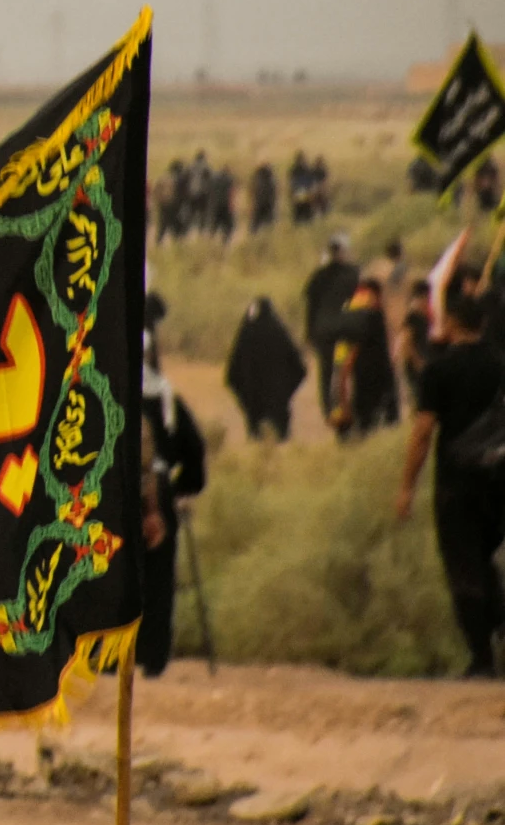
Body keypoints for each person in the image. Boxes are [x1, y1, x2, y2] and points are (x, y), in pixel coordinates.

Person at [396, 290, 505, 677]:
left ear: (453, 323)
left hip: (457, 483)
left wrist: (407, 486)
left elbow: (423, 432)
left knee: (464, 566)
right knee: (486, 558)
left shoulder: (439, 371)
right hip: (499, 479)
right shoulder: (499, 363)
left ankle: (482, 659)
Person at [137, 355, 207, 677]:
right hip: (158, 494)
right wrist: (181, 487)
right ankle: (153, 656)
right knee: (158, 578)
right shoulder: (166, 397)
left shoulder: (99, 389)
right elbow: (193, 450)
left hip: (105, 493)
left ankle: (107, 657)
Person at [223, 298, 306, 442]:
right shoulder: (280, 333)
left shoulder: (246, 335)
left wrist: (246, 400)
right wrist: (285, 394)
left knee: (257, 447)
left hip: (254, 409)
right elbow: (300, 370)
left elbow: (232, 376)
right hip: (279, 408)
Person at [327, 277, 399, 438]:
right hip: (369, 388)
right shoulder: (369, 319)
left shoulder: (358, 316)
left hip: (367, 386)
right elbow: (346, 365)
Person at [303, 234, 359, 414]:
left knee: (326, 371)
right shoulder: (354, 274)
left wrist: (309, 333)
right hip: (347, 329)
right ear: (344, 251)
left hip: (324, 330)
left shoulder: (318, 276)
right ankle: (350, 407)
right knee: (350, 368)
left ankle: (329, 409)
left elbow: (310, 307)